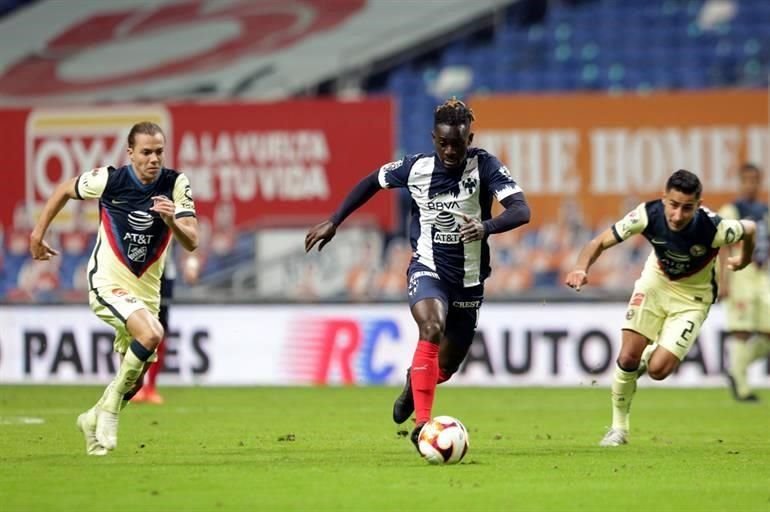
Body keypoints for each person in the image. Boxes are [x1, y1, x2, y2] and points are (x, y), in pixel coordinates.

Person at [305, 98, 531, 449]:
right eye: (443, 143)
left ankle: (415, 383)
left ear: (469, 139)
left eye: (458, 143)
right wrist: (335, 220)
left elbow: (521, 210)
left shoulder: (486, 166)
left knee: (446, 368)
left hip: (469, 281)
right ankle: (423, 425)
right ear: (433, 138)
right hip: (428, 269)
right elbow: (371, 182)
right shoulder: (415, 168)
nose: (450, 151)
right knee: (431, 327)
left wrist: (485, 227)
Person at [29, 122, 198, 455]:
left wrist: (171, 222)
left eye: (159, 152)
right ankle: (108, 412)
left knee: (133, 383)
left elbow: (192, 240)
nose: (154, 159)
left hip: (146, 292)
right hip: (107, 283)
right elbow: (64, 189)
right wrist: (38, 233)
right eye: (146, 152)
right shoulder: (109, 180)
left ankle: (90, 418)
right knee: (153, 334)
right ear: (130, 153)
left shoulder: (176, 184)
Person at [565, 169, 756, 447]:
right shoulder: (647, 214)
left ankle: (645, 360)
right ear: (664, 198)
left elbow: (749, 229)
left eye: (687, 208)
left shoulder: (714, 227)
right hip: (655, 285)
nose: (678, 215)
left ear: (699, 204)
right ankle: (619, 429)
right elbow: (599, 242)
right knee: (627, 356)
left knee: (658, 370)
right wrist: (581, 268)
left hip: (693, 299)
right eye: (673, 205)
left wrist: (744, 259)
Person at [718, 163, 770, 402]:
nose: (751, 185)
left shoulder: (765, 211)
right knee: (741, 330)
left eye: (755, 180)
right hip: (740, 273)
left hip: (762, 275)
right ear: (739, 182)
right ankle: (742, 388)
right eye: (746, 180)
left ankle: (736, 369)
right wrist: (723, 280)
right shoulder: (731, 210)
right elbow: (723, 247)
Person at [132, 249, 200, 404]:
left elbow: (189, 243)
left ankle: (151, 387)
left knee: (159, 330)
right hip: (139, 273)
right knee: (137, 327)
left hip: (163, 274)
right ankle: (136, 385)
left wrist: (191, 265)